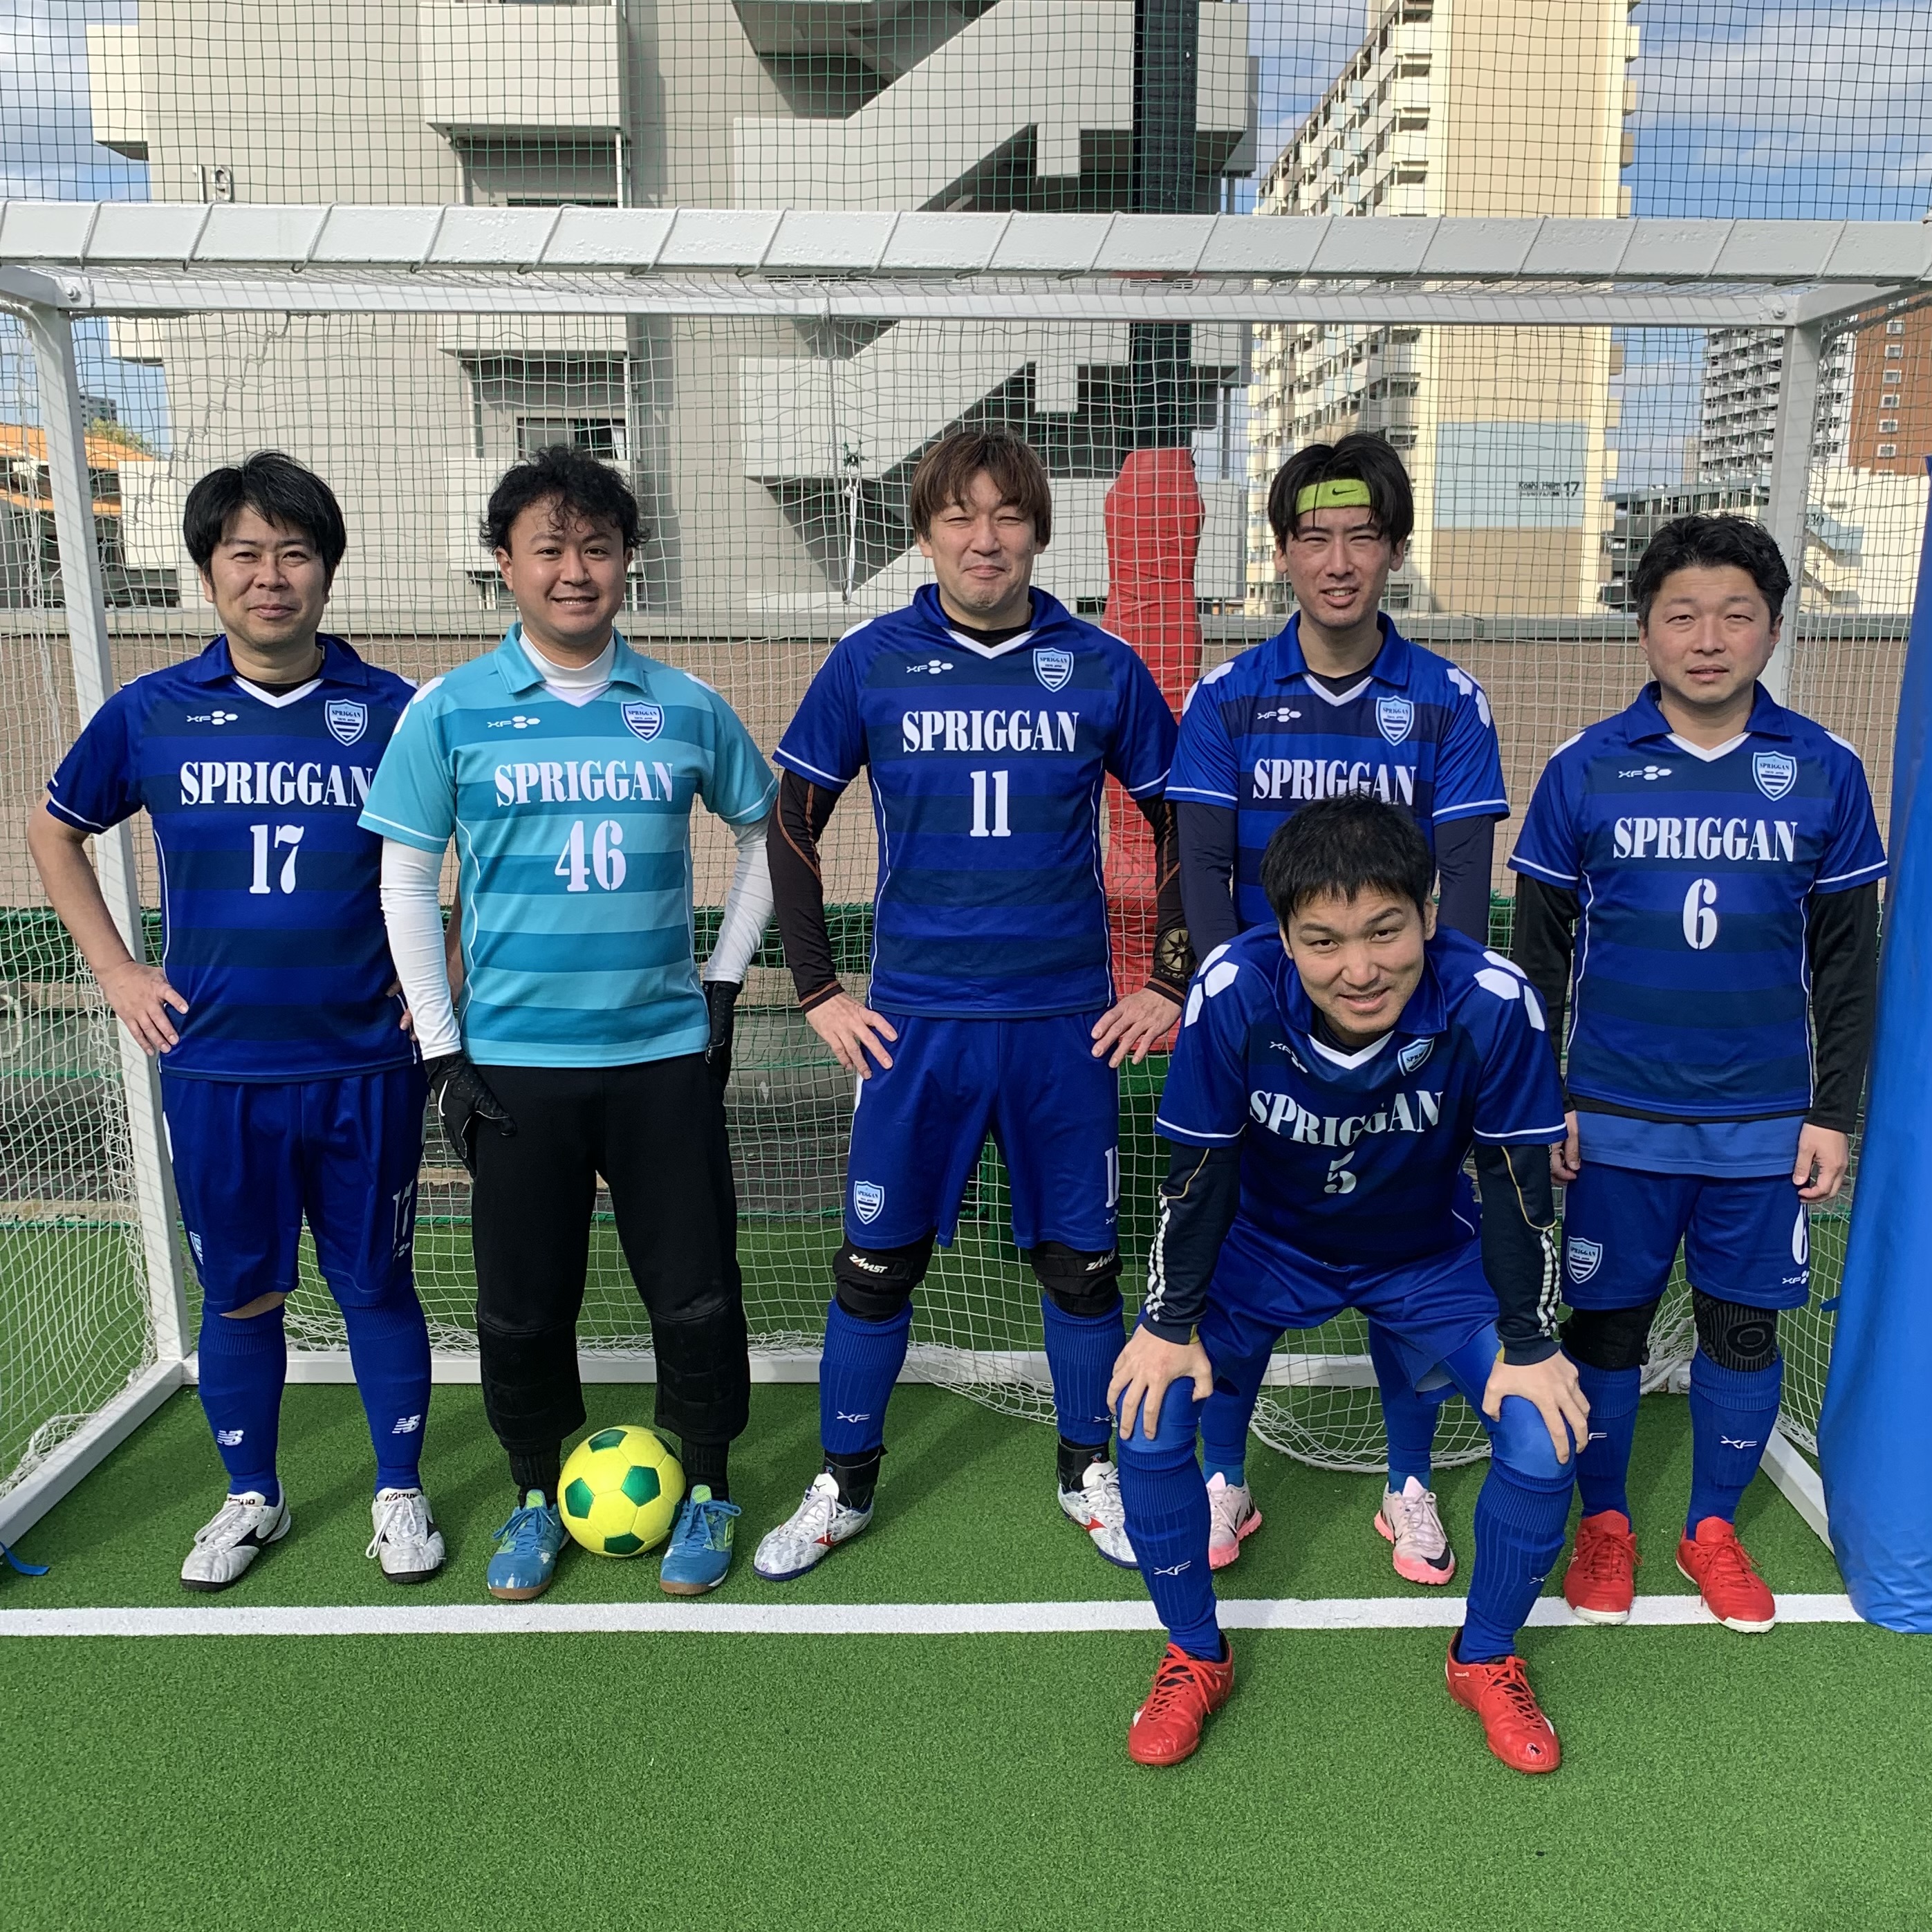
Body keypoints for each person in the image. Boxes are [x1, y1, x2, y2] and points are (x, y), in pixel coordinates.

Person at [752, 429, 1190, 1580]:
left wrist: (1167, 979)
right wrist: (816, 990)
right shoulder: (869, 660)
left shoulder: (1099, 663)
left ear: (1038, 531)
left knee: (1081, 1266)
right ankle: (844, 1482)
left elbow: (1185, 822)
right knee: (874, 1265)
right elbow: (790, 821)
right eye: (959, 515)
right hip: (917, 1027)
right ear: (925, 533)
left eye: (1006, 515)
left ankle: (1088, 1468)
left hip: (1062, 1026)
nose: (983, 538)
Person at [360, 445, 777, 1601]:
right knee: (521, 1304)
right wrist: (441, 1048)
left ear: (628, 560)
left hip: (660, 1060)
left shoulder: (685, 704)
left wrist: (723, 981)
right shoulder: (449, 709)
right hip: (513, 1071)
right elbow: (406, 879)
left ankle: (708, 1485)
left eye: (597, 546)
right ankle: (536, 1496)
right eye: (549, 548)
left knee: (696, 1291)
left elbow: (766, 837)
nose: (574, 569)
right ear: (505, 563)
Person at [28, 451, 441, 1590]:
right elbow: (54, 830)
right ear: (208, 572)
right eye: (246, 554)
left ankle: (398, 1491)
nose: (271, 576)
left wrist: (440, 970)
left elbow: (469, 844)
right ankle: (252, 1494)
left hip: (365, 1060)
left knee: (376, 1285)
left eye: (294, 553)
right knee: (241, 1291)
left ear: (327, 571)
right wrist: (116, 968)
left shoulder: (397, 712)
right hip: (215, 1066)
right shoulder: (150, 712)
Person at [1109, 795, 1584, 1772]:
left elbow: (1515, 1186)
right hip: (1266, 1245)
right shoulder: (1233, 988)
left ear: (1429, 913)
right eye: (1323, 941)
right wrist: (1165, 1320)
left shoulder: (1492, 999)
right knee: (1147, 1416)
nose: (1358, 968)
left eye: (1384, 931)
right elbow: (1199, 1172)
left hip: (1424, 1251)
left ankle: (1484, 1657)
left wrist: (1532, 1345)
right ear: (1284, 936)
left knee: (1544, 1436)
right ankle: (1194, 1653)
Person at [1510, 514, 1884, 1633]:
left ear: (1772, 628)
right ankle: (1605, 1520)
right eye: (1681, 614)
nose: (1707, 638)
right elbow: (1534, 960)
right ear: (1644, 629)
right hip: (1610, 1121)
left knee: (1743, 1329)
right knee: (1605, 1329)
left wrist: (1831, 1113)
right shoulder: (1583, 767)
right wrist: (1541, 1101)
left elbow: (1847, 962)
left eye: (1734, 615)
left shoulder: (1824, 770)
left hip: (1762, 1127)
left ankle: (1710, 1525)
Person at [1165, 434, 1510, 1588]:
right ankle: (1224, 1475)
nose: (1338, 559)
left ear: (1394, 551)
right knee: (1242, 1258)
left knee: (1407, 1251)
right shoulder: (1227, 697)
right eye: (1313, 537)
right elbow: (1203, 873)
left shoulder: (1446, 700)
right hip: (1270, 1044)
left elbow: (1459, 894)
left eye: (1363, 535)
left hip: (1407, 1045)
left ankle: (1406, 1483)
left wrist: (1417, 1039)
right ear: (1280, 553)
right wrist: (1244, 1019)